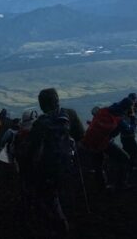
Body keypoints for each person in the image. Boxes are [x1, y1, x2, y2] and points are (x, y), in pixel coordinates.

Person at [26, 88, 85, 234]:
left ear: (42, 105)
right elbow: (80, 137)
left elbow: (31, 149)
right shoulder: (69, 114)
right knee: (68, 192)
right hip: (68, 163)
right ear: (57, 100)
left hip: (48, 167)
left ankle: (60, 225)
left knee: (47, 195)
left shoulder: (40, 123)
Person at [83, 97, 133, 191]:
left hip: (90, 140)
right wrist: (133, 119)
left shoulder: (104, 110)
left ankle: (101, 187)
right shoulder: (119, 119)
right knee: (125, 158)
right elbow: (130, 130)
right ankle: (120, 185)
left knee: (98, 165)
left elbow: (95, 112)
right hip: (103, 143)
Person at [121, 93, 137, 168]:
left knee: (127, 151)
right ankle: (129, 168)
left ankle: (126, 167)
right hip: (127, 136)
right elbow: (128, 121)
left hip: (126, 135)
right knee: (135, 151)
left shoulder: (130, 109)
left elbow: (130, 120)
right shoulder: (128, 110)